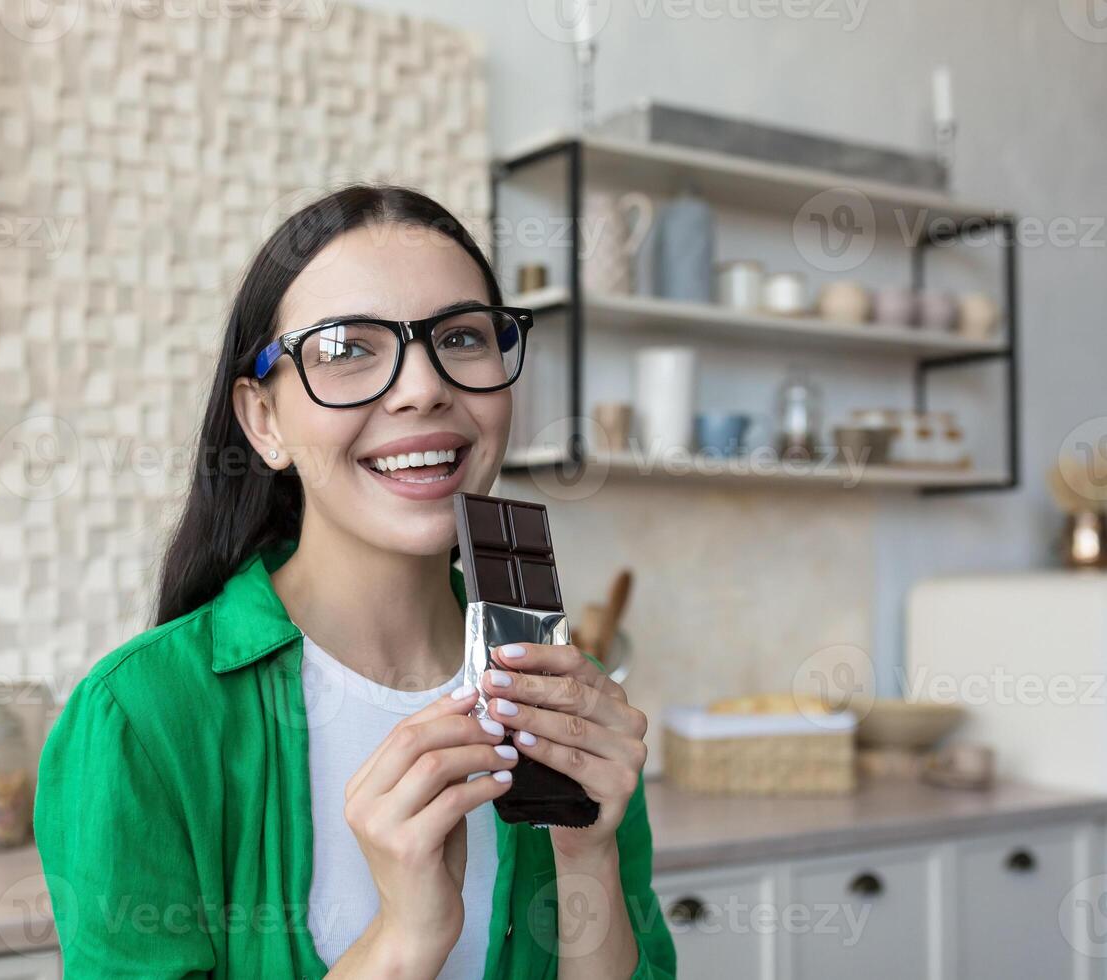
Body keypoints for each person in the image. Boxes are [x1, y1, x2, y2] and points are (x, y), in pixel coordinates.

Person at [34, 184, 677, 978]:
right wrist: (402, 941)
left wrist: (587, 856)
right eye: (346, 348)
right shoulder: (140, 720)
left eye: (464, 338)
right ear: (263, 421)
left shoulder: (563, 700)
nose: (423, 387)